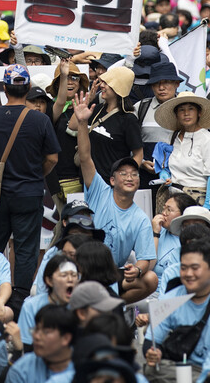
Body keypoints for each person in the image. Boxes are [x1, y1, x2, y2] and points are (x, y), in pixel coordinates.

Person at [0, 65, 60, 290]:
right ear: (28, 89)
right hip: (29, 193)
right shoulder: (40, 120)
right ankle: (20, 297)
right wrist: (36, 175)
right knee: (26, 250)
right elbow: (52, 158)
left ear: (5, 89)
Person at [75, 94, 158, 303]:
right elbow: (85, 157)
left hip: (111, 274)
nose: (130, 177)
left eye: (134, 174)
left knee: (151, 278)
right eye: (123, 174)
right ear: (112, 180)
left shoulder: (139, 218)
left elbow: (146, 258)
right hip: (82, 268)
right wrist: (83, 123)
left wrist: (137, 271)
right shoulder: (99, 191)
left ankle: (114, 305)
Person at [144, 241, 210, 382]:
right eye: (184, 268)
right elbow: (152, 341)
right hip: (182, 367)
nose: (189, 274)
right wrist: (153, 353)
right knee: (151, 368)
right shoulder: (169, 298)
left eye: (195, 268)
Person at [70, 66, 144, 179]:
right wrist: (88, 101)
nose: (102, 86)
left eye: (107, 83)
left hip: (112, 184)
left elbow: (138, 155)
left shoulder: (128, 119)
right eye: (102, 82)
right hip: (89, 180)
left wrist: (125, 177)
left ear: (119, 87)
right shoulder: (96, 109)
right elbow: (73, 126)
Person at [154, 92, 210, 206]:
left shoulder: (208, 139)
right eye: (181, 110)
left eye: (191, 109)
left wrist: (207, 205)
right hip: (173, 199)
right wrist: (165, 175)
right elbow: (167, 164)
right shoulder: (173, 137)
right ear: (176, 115)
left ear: (199, 113)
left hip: (196, 199)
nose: (186, 113)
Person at [48, 60, 90, 197]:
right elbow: (60, 102)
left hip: (84, 178)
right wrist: (63, 75)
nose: (70, 82)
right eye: (66, 79)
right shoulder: (52, 109)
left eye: (75, 78)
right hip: (59, 180)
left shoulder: (89, 109)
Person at [20, 254, 79, 349]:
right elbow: (27, 345)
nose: (70, 280)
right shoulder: (31, 306)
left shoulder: (81, 307)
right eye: (64, 275)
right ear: (49, 280)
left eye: (74, 275)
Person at [7, 305, 77, 383]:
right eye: (36, 329)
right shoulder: (22, 368)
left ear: (66, 338)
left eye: (46, 332)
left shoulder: (85, 369)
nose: (37, 336)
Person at [135, 62, 182, 160]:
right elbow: (130, 141)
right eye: (156, 83)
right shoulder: (140, 108)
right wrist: (142, 162)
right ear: (151, 86)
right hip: (145, 171)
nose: (161, 88)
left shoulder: (185, 109)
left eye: (166, 82)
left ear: (176, 84)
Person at [151, 193, 196, 282]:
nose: (163, 213)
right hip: (150, 289)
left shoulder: (190, 240)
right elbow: (147, 266)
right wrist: (155, 234)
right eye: (164, 208)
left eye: (169, 210)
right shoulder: (158, 230)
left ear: (183, 215)